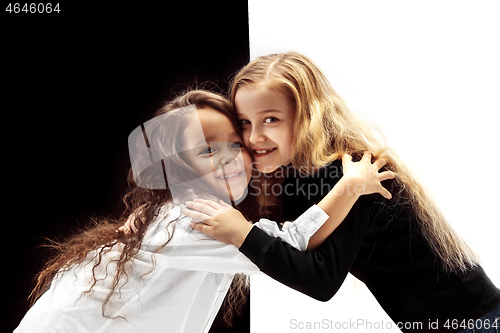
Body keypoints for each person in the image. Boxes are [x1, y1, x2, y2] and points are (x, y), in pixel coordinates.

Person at [16, 89, 393, 333]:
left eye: (235, 143)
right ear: (180, 166)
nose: (230, 158)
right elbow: (293, 244)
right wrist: (352, 185)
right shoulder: (191, 220)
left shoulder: (184, 216)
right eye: (208, 150)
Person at [187, 53, 500, 332]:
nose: (254, 136)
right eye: (244, 122)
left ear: (307, 116)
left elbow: (320, 279)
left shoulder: (349, 173)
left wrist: (242, 234)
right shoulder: (295, 177)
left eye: (271, 119)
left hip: (474, 320)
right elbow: (291, 239)